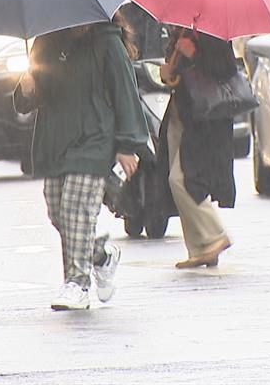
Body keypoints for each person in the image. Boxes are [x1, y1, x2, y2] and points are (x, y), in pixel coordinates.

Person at [14, 19, 148, 310]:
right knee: (58, 211)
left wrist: (127, 144)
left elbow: (125, 91)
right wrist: (27, 87)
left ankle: (77, 283)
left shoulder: (107, 40)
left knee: (76, 208)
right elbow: (30, 99)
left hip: (95, 139)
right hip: (57, 139)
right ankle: (101, 255)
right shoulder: (47, 41)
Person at [158, 26, 237, 268]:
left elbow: (226, 69)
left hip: (205, 119)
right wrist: (169, 70)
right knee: (175, 177)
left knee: (180, 179)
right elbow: (179, 77)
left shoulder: (214, 33)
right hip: (180, 114)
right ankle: (200, 248)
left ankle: (215, 234)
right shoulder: (179, 30)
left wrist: (194, 54)